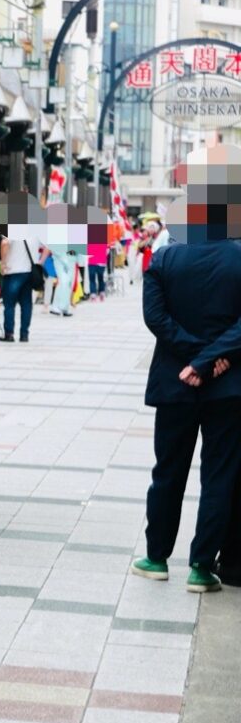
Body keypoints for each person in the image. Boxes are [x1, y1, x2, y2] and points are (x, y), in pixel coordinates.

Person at [131, 233, 241, 593]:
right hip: (227, 386)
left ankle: (157, 558)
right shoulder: (237, 257)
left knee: (168, 471)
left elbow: (156, 318)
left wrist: (195, 357)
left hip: (174, 381)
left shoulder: (164, 258)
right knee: (219, 475)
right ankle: (202, 567)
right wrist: (209, 359)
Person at [0, 233, 40, 342]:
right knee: (26, 305)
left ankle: (9, 334)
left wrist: (3, 263)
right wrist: (41, 262)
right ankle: (24, 334)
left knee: (9, 305)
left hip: (13, 271)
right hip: (29, 272)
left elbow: (4, 243)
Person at [49, 248, 77, 317]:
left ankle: (65, 308)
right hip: (60, 259)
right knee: (63, 282)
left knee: (69, 283)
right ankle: (55, 307)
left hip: (71, 258)